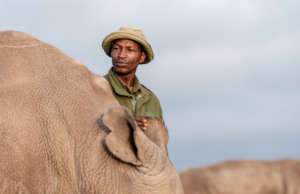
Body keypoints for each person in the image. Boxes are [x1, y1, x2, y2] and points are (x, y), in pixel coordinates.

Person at [102, 26, 163, 131]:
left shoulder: (151, 99)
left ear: (142, 57)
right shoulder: (96, 88)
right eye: (116, 48)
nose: (121, 55)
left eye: (130, 50)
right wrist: (124, 126)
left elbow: (159, 144)